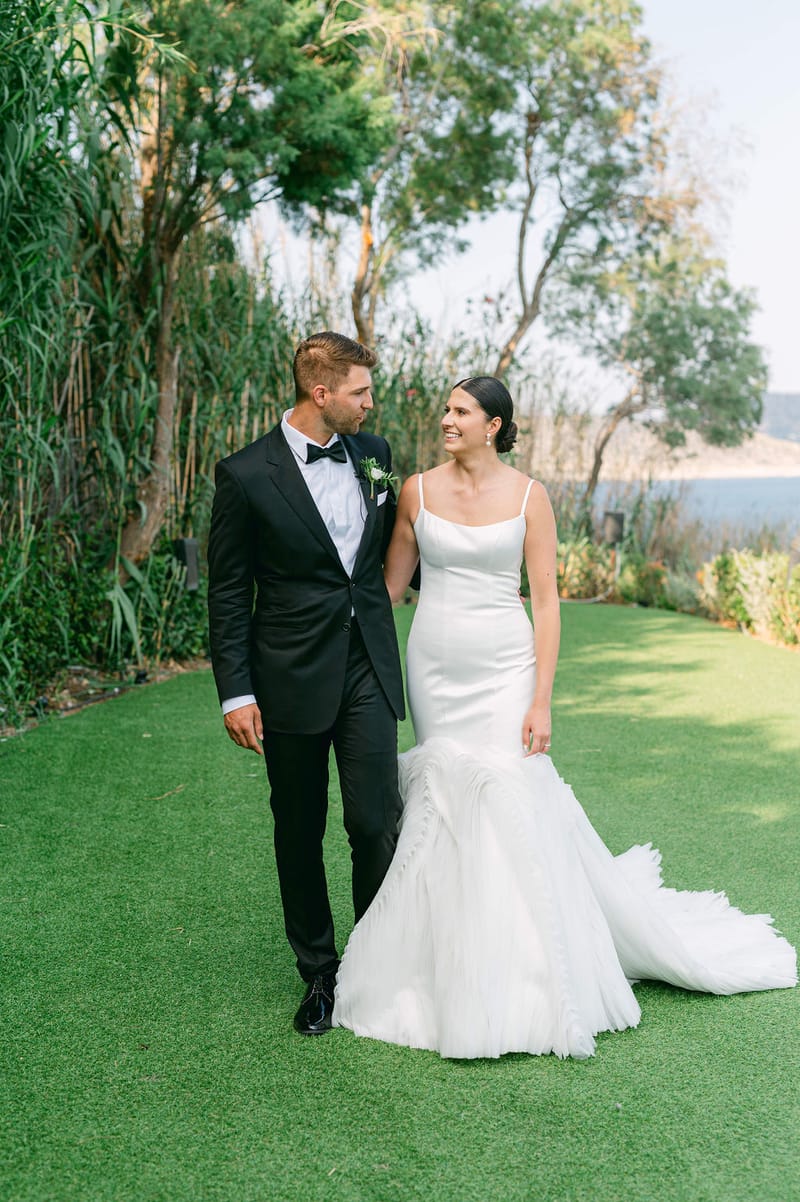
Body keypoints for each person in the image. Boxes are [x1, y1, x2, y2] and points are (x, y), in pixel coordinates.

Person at [333, 376, 797, 1059]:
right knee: (448, 797)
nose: (446, 420)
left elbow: (545, 603)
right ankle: (445, 958)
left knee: (508, 793)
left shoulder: (530, 497)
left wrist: (541, 697)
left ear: (494, 424)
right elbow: (386, 591)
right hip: (435, 666)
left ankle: (523, 968)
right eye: (446, 410)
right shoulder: (417, 490)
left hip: (504, 665)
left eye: (460, 411)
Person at [207, 331, 405, 1036]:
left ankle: (379, 963)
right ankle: (320, 976)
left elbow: (388, 556)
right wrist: (236, 692)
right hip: (287, 675)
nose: (370, 404)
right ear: (321, 394)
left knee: (374, 819)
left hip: (366, 668)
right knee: (299, 828)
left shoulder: (375, 455)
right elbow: (229, 593)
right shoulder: (246, 474)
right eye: (360, 393)